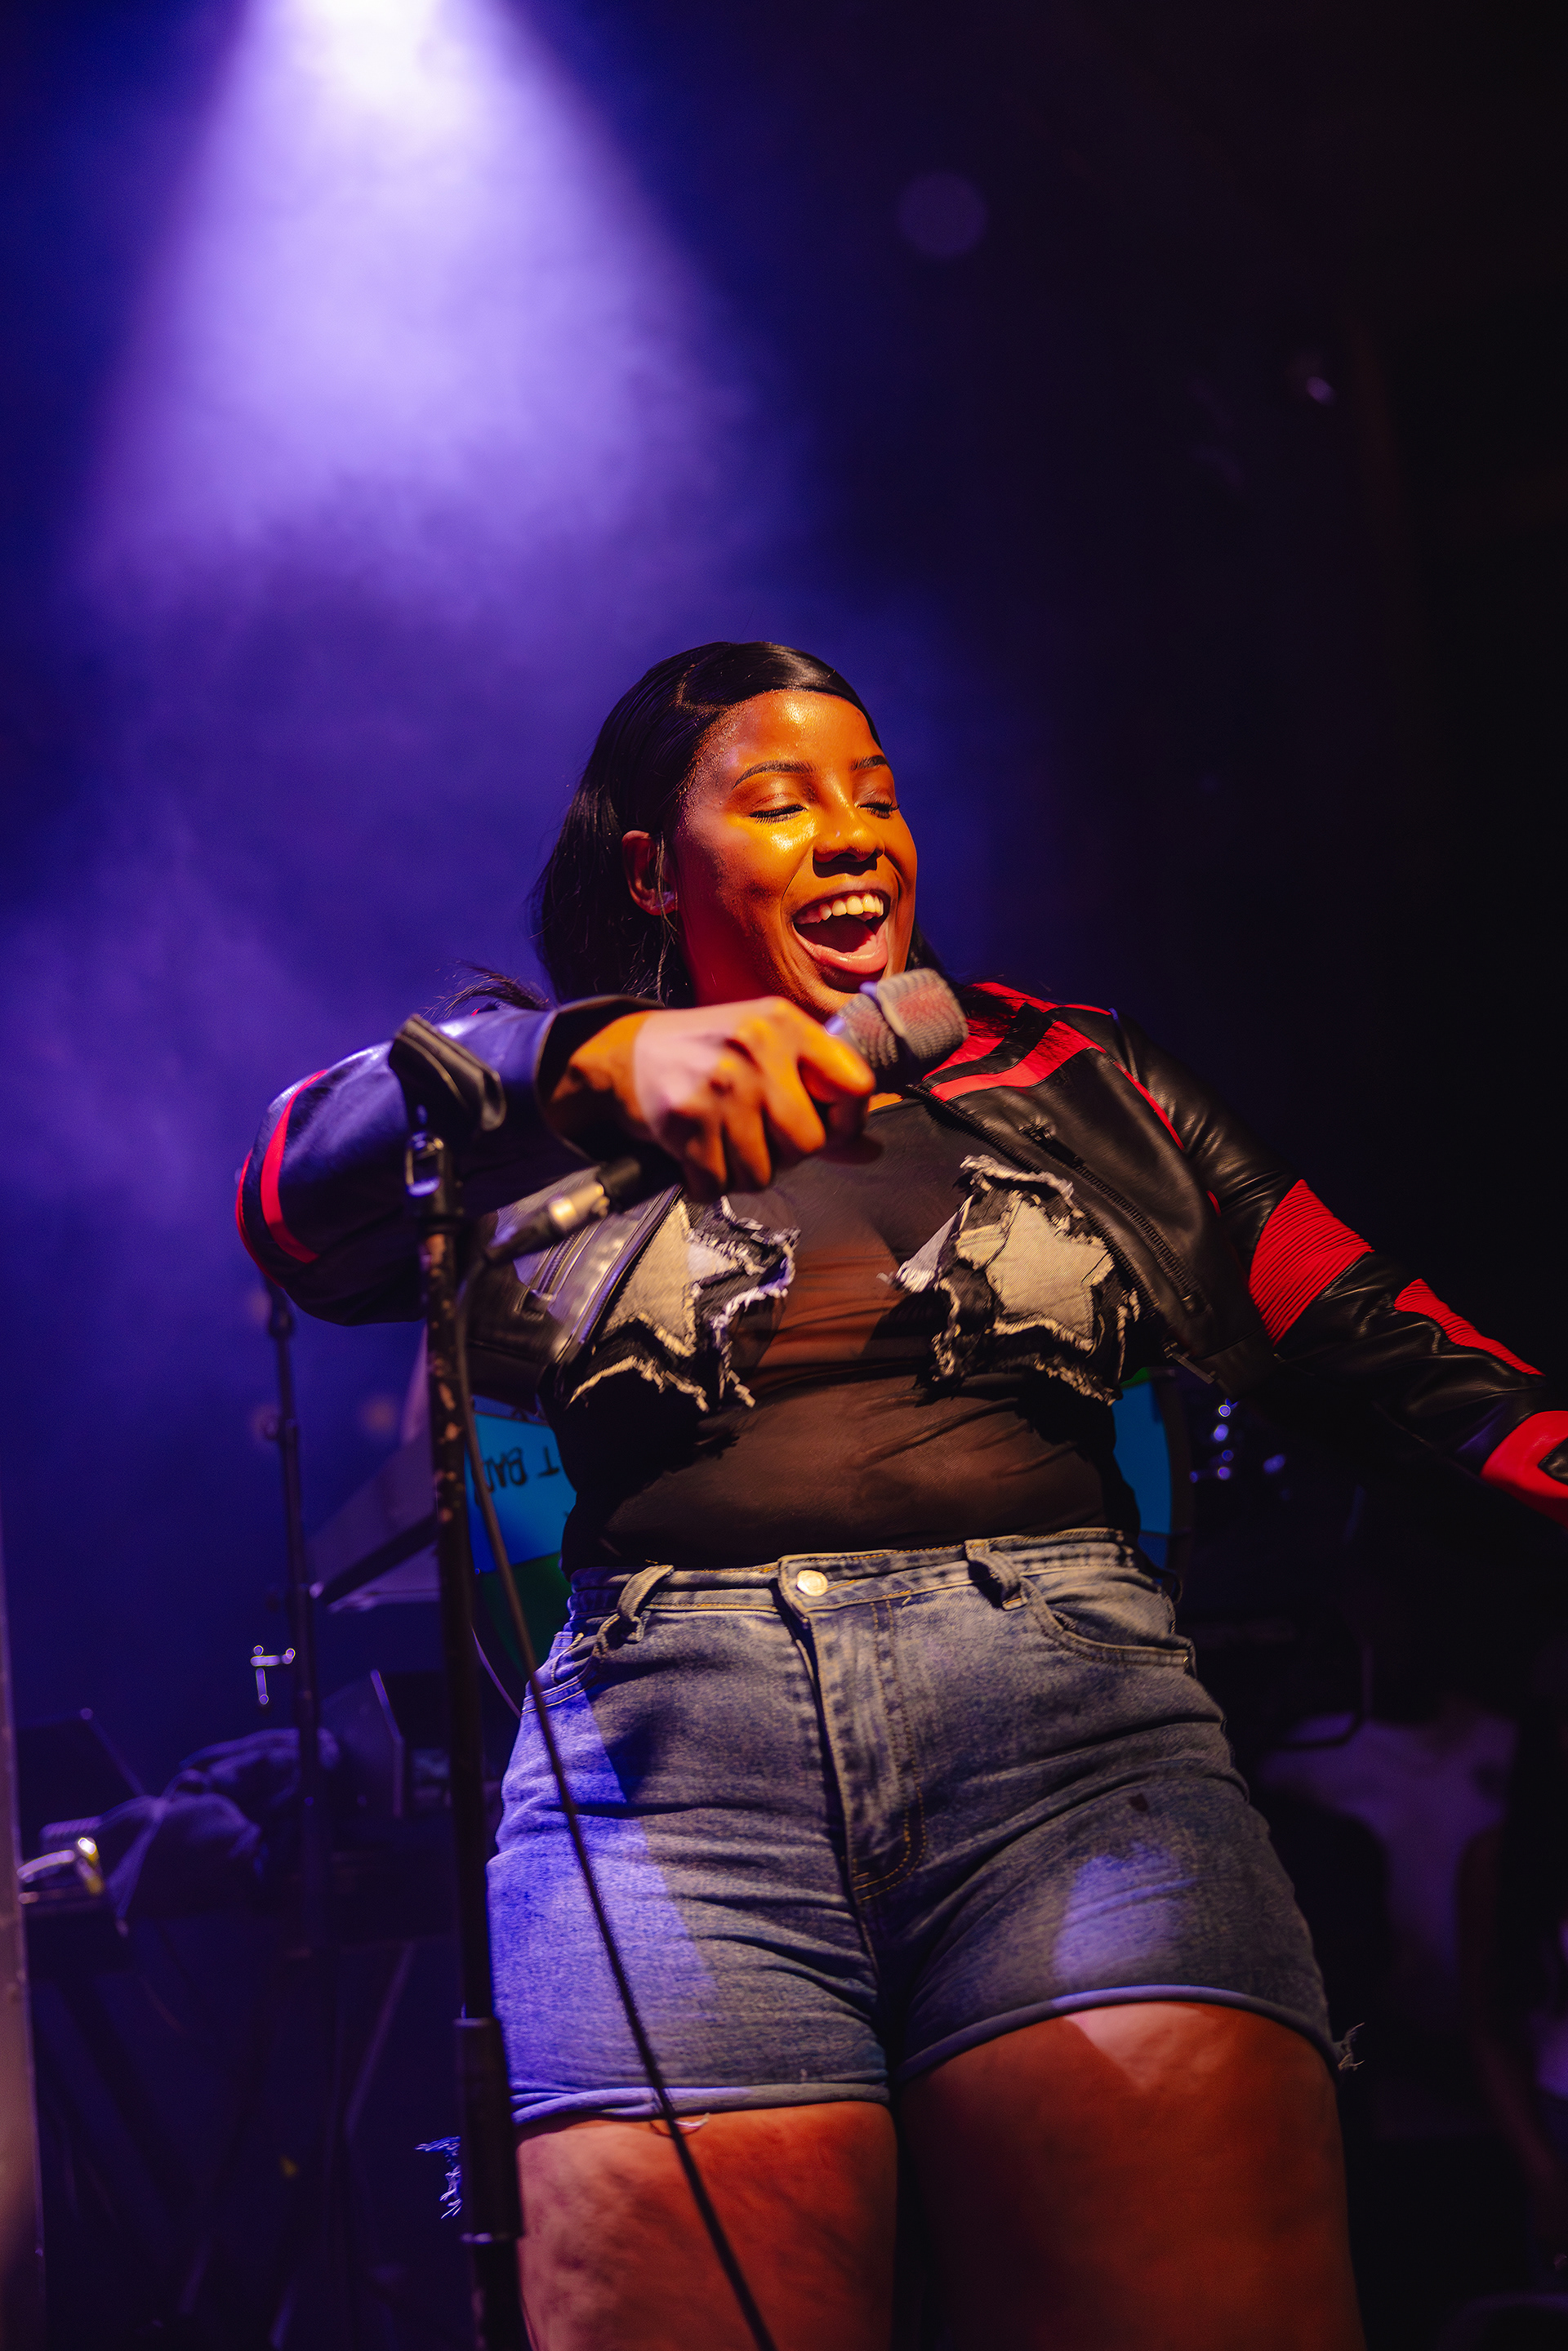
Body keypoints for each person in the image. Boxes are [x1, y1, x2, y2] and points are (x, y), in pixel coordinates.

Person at [240, 641, 1568, 2350]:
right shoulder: (545, 1113)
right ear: (653, 869)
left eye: (875, 794)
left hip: (1078, 1754)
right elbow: (287, 1193)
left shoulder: (1071, 1070)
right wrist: (586, 1063)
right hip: (668, 1782)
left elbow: (1396, 1348)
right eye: (781, 801)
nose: (855, 831)